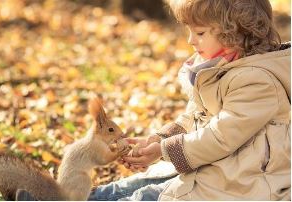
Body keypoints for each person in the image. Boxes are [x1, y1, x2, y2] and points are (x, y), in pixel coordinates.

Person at [89, 0, 291, 200]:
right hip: (212, 167)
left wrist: (164, 150)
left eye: (200, 33)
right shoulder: (217, 67)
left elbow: (220, 137)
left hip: (241, 183)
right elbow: (195, 116)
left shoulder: (258, 82)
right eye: (189, 30)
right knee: (118, 190)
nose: (190, 40)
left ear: (234, 34)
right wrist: (159, 141)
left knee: (146, 197)